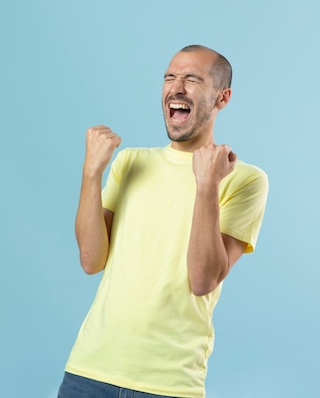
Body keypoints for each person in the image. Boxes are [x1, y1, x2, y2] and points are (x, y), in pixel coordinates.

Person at [58, 44, 268, 398]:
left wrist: (206, 185)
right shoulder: (130, 163)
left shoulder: (243, 179)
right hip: (88, 370)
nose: (176, 87)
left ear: (222, 98)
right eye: (170, 77)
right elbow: (91, 260)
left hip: (168, 384)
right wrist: (91, 172)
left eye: (192, 79)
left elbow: (202, 280)